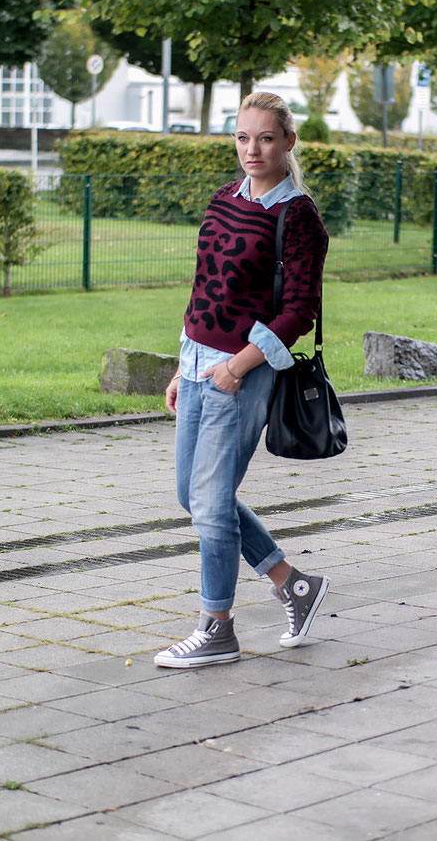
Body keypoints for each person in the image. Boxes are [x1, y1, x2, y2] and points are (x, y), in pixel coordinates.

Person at [154, 92, 331, 668]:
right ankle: (292, 583)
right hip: (198, 359)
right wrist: (185, 365)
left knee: (209, 503)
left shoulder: (297, 216)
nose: (252, 150)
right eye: (242, 138)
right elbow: (203, 287)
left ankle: (217, 628)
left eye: (265, 138)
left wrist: (236, 367)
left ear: (288, 142)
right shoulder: (223, 199)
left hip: (241, 373)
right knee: (194, 495)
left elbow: (298, 312)